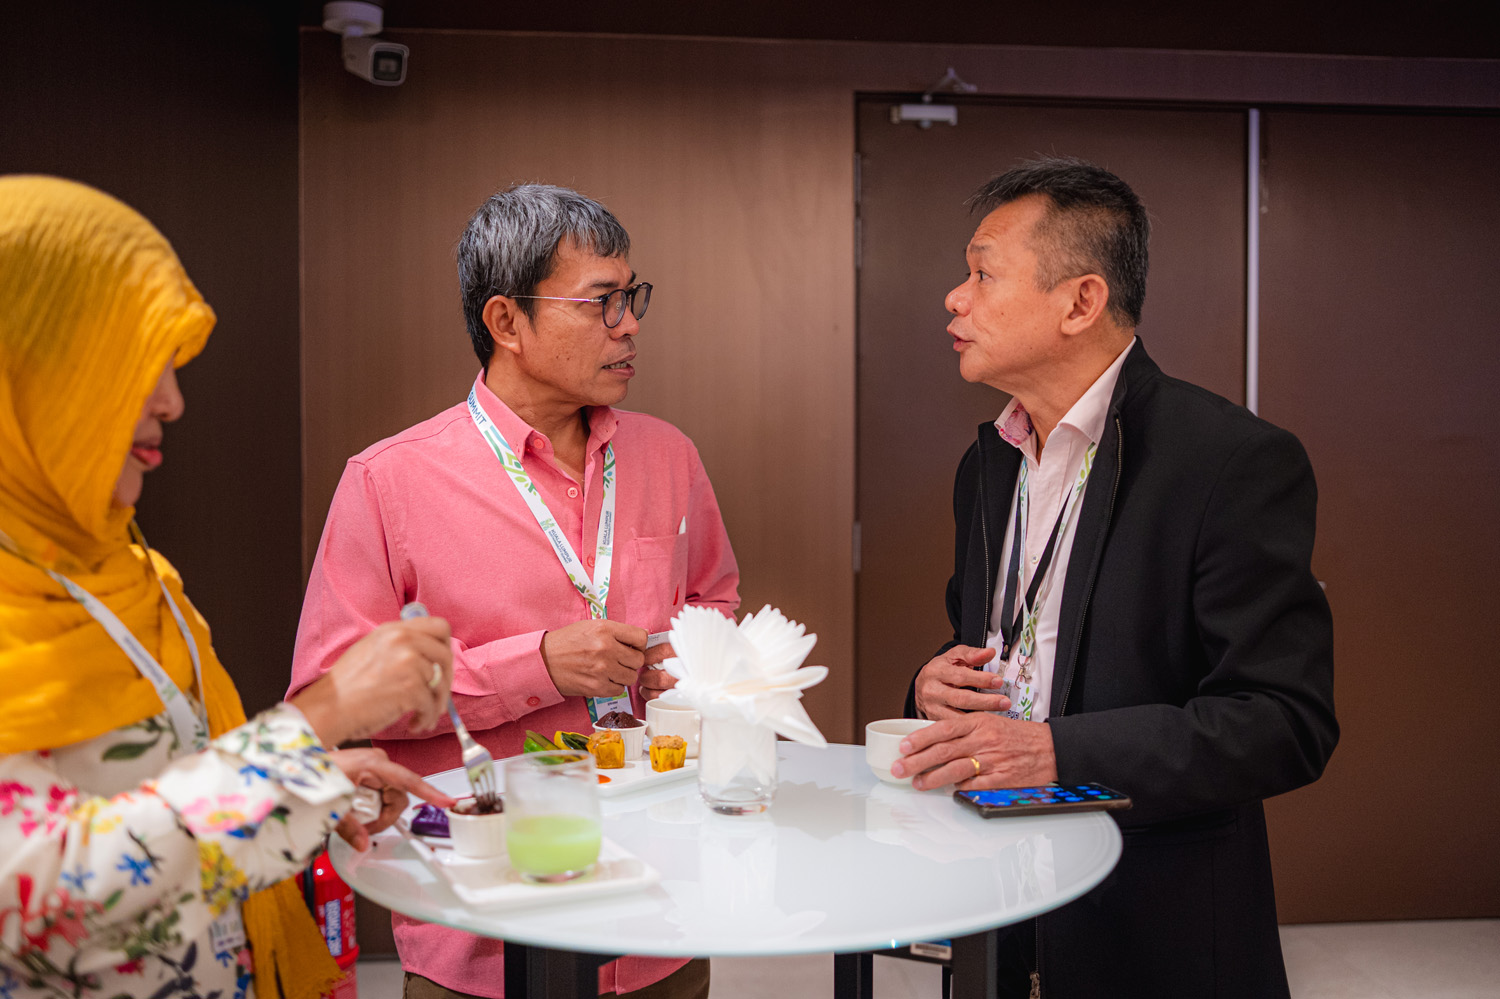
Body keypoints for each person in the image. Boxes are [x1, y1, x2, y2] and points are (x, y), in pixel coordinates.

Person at [0, 175, 460, 999]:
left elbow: (150, 788)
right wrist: (315, 720)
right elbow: (42, 909)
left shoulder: (131, 571)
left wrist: (308, 782)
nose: (172, 400)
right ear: (26, 368)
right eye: (132, 360)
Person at [891, 158, 1338, 997]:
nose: (955, 297)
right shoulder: (989, 463)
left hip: (1152, 925)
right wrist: (932, 684)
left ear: (1081, 302)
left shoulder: (1229, 460)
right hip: (996, 901)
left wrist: (1059, 751)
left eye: (983, 273)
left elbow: (1284, 720)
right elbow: (1005, 644)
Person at [288, 184, 739, 999]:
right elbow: (333, 700)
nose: (629, 324)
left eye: (631, 296)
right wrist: (537, 666)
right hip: (483, 928)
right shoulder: (388, 482)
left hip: (661, 911)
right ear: (506, 321)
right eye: (601, 302)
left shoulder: (668, 455)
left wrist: (689, 663)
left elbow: (714, 598)